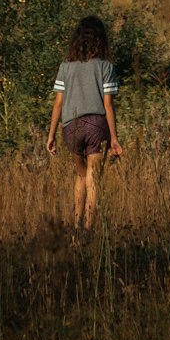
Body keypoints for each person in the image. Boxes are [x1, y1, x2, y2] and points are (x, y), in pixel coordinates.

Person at [46, 15, 123, 230]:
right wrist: (114, 139)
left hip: (71, 126)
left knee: (80, 176)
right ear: (100, 39)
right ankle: (89, 229)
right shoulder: (106, 67)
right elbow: (108, 105)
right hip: (97, 125)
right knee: (93, 177)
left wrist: (51, 135)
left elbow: (58, 103)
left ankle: (75, 228)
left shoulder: (66, 67)